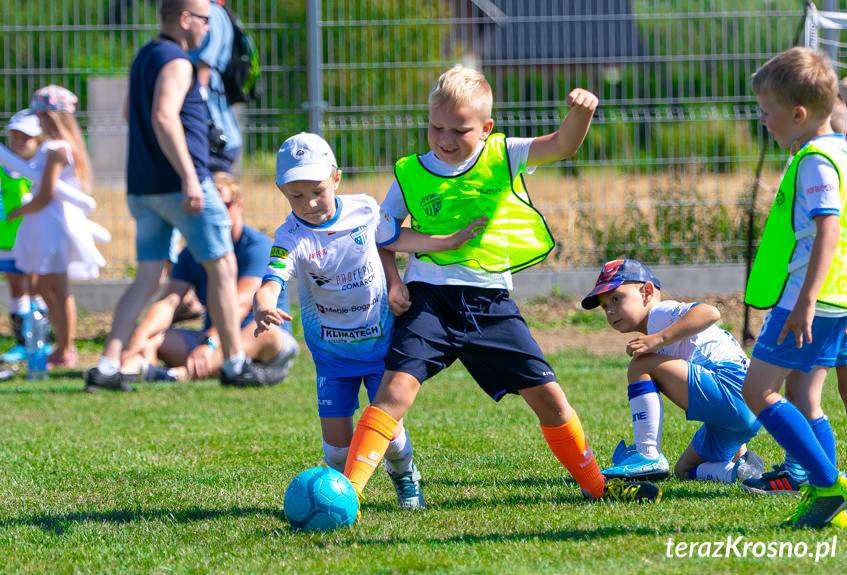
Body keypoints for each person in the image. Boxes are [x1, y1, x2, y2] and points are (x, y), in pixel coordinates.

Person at [334, 65, 662, 521]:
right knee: (394, 392)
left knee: (550, 400)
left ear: (486, 128)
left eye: (459, 130)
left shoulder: (504, 154)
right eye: (436, 127)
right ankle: (347, 496)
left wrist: (581, 113)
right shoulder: (411, 173)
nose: (445, 139)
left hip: (491, 304)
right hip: (429, 298)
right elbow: (384, 235)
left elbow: (563, 145)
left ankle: (596, 485)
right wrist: (394, 282)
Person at [253, 132, 486, 509]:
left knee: (390, 434)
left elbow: (393, 240)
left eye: (316, 190)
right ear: (282, 191)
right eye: (296, 195)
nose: (309, 203)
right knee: (335, 448)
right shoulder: (290, 236)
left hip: (381, 346)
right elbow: (272, 278)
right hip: (332, 356)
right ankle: (337, 501)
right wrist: (263, 304)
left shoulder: (363, 210)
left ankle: (405, 474)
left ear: (336, 178)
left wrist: (444, 242)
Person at [86, 0, 265, 390]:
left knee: (148, 277)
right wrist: (188, 175)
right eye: (203, 20)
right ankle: (235, 362)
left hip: (144, 189)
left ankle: (107, 365)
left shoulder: (144, 57)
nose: (208, 27)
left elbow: (128, 116)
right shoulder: (178, 61)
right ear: (184, 20)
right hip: (182, 188)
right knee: (222, 267)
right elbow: (163, 116)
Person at [742, 47, 847, 529]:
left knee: (758, 390)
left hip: (813, 300)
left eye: (767, 112)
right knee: (804, 397)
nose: (763, 121)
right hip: (836, 299)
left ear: (798, 114)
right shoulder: (841, 148)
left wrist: (804, 300)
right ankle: (824, 494)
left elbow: (828, 229)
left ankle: (828, 483)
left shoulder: (815, 160)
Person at [580, 258, 763, 484]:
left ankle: (647, 454)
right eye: (605, 306)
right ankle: (740, 470)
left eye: (616, 298)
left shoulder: (660, 313)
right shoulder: (660, 324)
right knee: (685, 469)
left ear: (647, 292)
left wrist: (657, 340)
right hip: (749, 410)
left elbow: (710, 312)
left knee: (641, 364)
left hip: (733, 391)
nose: (610, 310)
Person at [119, 171, 297, 385]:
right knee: (154, 340)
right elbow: (169, 301)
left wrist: (210, 344)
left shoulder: (257, 247)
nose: (219, 213)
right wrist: (140, 337)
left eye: (226, 205)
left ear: (239, 205)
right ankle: (134, 368)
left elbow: (239, 305)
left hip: (265, 341)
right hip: (213, 340)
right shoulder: (192, 251)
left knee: (261, 331)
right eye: (211, 207)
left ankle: (177, 375)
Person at [8, 86, 106, 368]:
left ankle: (65, 347)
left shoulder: (56, 149)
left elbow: (45, 194)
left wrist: (18, 211)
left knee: (58, 288)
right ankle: (60, 344)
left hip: (52, 225)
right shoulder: (54, 147)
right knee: (44, 284)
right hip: (45, 224)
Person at [0, 109, 48, 363]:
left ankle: (41, 340)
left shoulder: (41, 168)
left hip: (35, 241)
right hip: (9, 241)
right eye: (15, 137)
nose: (20, 142)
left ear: (38, 139)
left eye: (26, 137)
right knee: (16, 289)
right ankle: (22, 342)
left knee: (37, 288)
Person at [190, 0, 241, 173]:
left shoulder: (209, 13)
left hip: (214, 135)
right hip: (216, 132)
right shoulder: (213, 11)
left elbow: (204, 68)